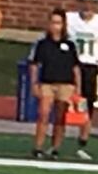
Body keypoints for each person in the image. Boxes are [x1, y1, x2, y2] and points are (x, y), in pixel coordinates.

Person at [65, 0, 98, 160]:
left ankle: (82, 141)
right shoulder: (69, 19)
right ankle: (57, 139)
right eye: (84, 2)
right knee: (65, 102)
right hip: (70, 65)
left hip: (90, 66)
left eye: (91, 3)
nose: (87, 7)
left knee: (87, 105)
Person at [27, 10, 80, 159]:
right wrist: (34, 83)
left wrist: (77, 87)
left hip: (66, 84)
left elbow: (75, 67)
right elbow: (35, 64)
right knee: (43, 114)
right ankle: (38, 146)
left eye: (59, 23)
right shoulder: (42, 44)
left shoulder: (70, 45)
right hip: (47, 83)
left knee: (60, 116)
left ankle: (55, 147)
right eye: (53, 23)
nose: (55, 27)